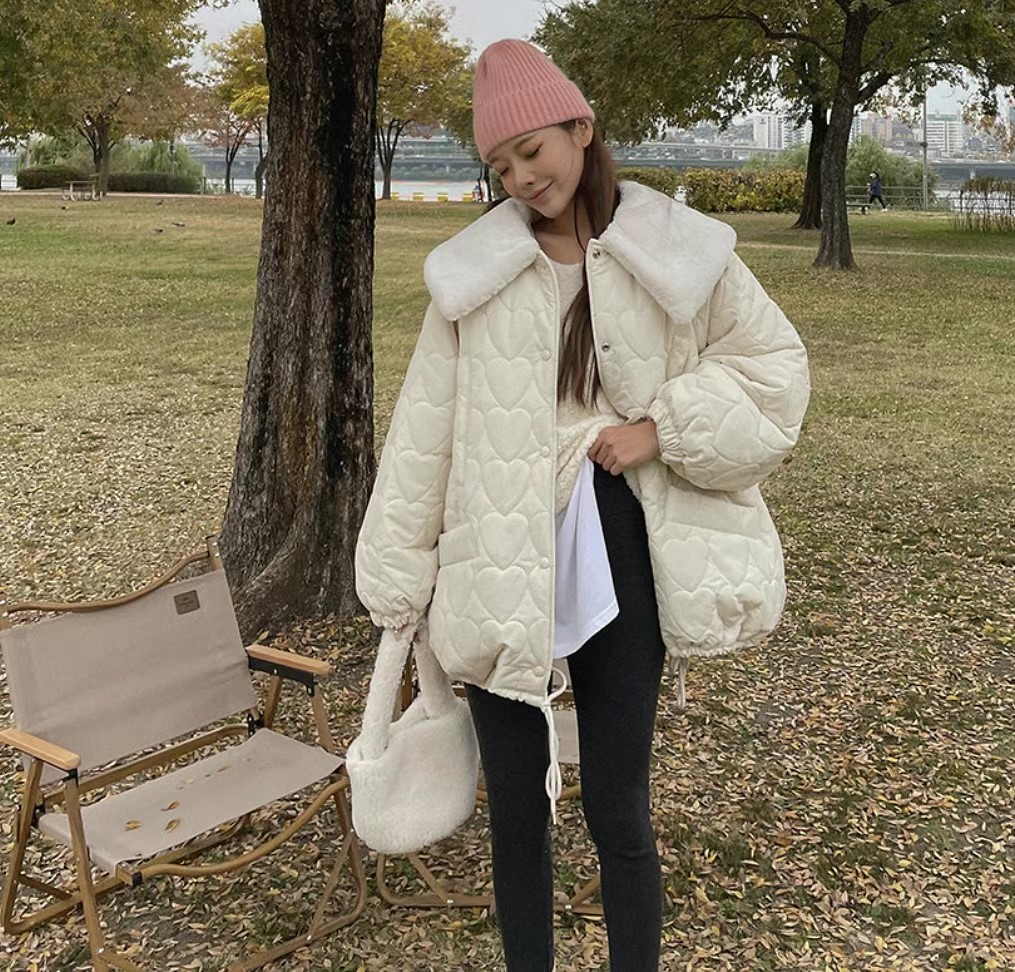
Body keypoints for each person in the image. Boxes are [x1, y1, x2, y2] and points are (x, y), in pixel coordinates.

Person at [356, 38, 810, 972]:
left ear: (581, 128)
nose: (523, 177)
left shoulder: (680, 252)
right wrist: (398, 575)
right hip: (495, 557)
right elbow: (422, 433)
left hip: (622, 546)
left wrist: (661, 428)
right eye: (500, 165)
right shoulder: (471, 280)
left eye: (533, 149)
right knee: (517, 815)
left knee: (616, 807)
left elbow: (774, 373)